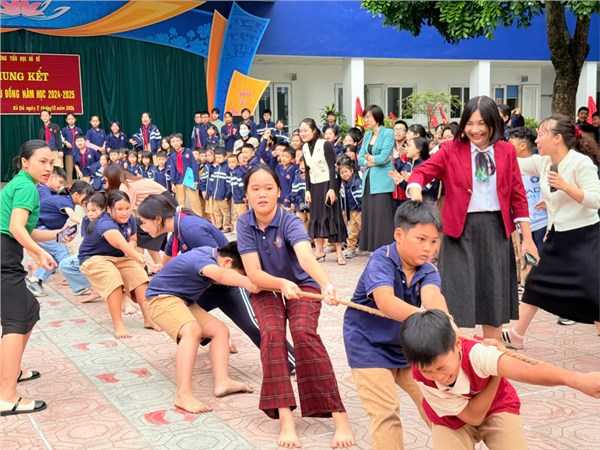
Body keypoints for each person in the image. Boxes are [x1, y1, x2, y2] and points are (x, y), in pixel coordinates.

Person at [236, 164, 354, 449]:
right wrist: (280, 284)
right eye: (255, 189)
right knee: (272, 336)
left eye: (268, 188)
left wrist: (326, 284)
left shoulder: (290, 221)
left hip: (303, 286)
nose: (262, 194)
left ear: (279, 191)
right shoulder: (244, 223)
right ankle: (286, 418)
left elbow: (305, 257)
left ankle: (339, 416)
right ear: (246, 195)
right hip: (266, 288)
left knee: (304, 333)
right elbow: (253, 273)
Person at [408, 95, 537, 340]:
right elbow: (422, 172)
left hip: (495, 231)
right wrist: (415, 191)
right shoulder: (450, 149)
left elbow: (518, 196)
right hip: (459, 231)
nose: (475, 130)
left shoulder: (506, 151)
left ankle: (492, 350)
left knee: (493, 297)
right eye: (469, 123)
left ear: (493, 123)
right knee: (453, 294)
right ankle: (449, 349)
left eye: (481, 123)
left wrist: (528, 239)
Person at [401, 309, 600, 450]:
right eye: (428, 371)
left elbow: (527, 370)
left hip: (497, 406)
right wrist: (496, 375)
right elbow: (473, 417)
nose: (438, 376)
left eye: (441, 367)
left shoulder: (478, 354)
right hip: (451, 418)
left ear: (457, 345)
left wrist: (577, 380)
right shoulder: (420, 376)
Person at [137, 194, 296, 369]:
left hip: (227, 282)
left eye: (144, 222)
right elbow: (170, 249)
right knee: (181, 320)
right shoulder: (179, 226)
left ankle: (292, 363)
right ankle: (216, 338)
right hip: (207, 284)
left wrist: (247, 282)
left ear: (158, 219)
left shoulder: (191, 228)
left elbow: (220, 265)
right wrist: (162, 266)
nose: (144, 228)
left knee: (253, 325)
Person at [344, 201, 448, 449]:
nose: (428, 248)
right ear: (399, 235)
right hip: (368, 345)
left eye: (434, 241)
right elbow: (386, 302)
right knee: (386, 411)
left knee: (438, 405)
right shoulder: (381, 259)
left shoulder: (428, 270)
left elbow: (432, 296)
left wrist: (444, 321)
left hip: (407, 346)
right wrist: (431, 321)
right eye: (421, 239)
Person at [501, 115, 600, 350]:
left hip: (585, 237)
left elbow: (595, 200)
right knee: (535, 283)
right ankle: (517, 335)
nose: (537, 139)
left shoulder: (581, 163)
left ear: (557, 138)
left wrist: (565, 186)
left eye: (542, 134)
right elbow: (514, 164)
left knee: (594, 292)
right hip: (557, 236)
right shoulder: (542, 162)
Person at [0, 140, 73, 416]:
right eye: (42, 162)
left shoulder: (22, 184)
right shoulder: (26, 187)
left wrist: (56, 235)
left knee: (29, 310)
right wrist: (41, 254)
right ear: (24, 162)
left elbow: (25, 230)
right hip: (4, 257)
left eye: (51, 162)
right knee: (16, 320)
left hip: (6, 253)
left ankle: (12, 370)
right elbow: (16, 228)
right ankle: (6, 396)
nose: (48, 167)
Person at [145, 242, 255, 414]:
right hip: (160, 299)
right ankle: (183, 395)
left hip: (184, 301)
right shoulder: (203, 260)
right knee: (192, 331)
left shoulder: (212, 253)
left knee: (220, 330)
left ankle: (223, 382)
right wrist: (250, 283)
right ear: (227, 262)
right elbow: (221, 275)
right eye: (237, 274)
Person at [79, 190, 158, 338]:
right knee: (113, 278)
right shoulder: (105, 223)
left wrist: (132, 252)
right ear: (109, 209)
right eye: (119, 209)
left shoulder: (130, 219)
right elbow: (120, 243)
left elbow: (132, 240)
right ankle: (119, 325)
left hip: (118, 258)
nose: (124, 212)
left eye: (127, 208)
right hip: (94, 258)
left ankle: (148, 319)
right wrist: (136, 255)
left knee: (140, 276)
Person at [25, 180, 94, 294]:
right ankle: (81, 286)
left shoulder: (65, 200)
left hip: (43, 229)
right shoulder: (65, 201)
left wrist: (66, 234)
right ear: (76, 194)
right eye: (87, 196)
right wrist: (89, 223)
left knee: (54, 259)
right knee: (64, 256)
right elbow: (73, 217)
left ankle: (35, 280)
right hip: (39, 229)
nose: (88, 200)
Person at [299, 118, 348, 265]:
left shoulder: (324, 144)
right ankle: (319, 251)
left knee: (333, 216)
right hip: (314, 186)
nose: (303, 133)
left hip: (328, 184)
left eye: (305, 130)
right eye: (301, 131)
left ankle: (339, 253)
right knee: (316, 217)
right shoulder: (304, 147)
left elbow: (333, 168)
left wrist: (332, 189)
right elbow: (307, 170)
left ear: (314, 130)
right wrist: (307, 190)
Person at [358, 105, 395, 252]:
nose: (365, 120)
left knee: (382, 217)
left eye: (368, 117)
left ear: (377, 117)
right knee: (370, 216)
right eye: (365, 117)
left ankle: (385, 250)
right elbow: (360, 158)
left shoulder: (388, 133)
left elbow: (383, 157)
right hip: (368, 181)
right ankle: (373, 249)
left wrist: (369, 158)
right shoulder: (367, 135)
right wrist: (370, 160)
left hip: (382, 182)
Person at [59, 193, 106, 302]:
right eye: (88, 210)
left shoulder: (107, 222)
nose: (90, 214)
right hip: (88, 255)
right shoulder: (85, 220)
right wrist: (67, 236)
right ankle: (93, 289)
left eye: (94, 210)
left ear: (104, 209)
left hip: (103, 255)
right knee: (65, 265)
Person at [166, 133, 203, 216]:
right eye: (173, 141)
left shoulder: (188, 151)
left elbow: (194, 165)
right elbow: (173, 170)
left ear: (181, 142)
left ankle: (198, 217)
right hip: (179, 180)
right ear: (171, 143)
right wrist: (172, 183)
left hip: (190, 179)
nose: (175, 143)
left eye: (177, 141)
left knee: (194, 200)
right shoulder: (172, 156)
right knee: (180, 201)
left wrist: (196, 179)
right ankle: (182, 217)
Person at [338, 161, 362, 259]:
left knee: (364, 228)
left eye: (346, 172)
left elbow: (361, 197)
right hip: (352, 211)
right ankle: (351, 249)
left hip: (359, 210)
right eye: (342, 173)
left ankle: (371, 248)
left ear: (351, 171)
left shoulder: (357, 182)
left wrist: (362, 209)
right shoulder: (344, 184)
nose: (344, 174)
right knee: (352, 231)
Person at [61, 113, 83, 184]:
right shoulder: (64, 130)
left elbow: (82, 139)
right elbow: (61, 139)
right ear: (66, 120)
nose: (71, 120)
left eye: (72, 119)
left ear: (75, 119)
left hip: (78, 152)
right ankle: (69, 185)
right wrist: (65, 142)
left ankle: (80, 184)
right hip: (68, 152)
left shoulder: (79, 129)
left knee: (79, 169)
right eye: (69, 119)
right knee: (69, 170)